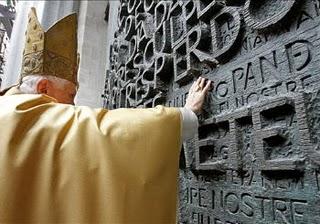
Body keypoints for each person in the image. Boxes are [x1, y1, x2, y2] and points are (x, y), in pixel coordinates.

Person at [0, 8, 212, 223]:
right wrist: (185, 116)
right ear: (44, 87)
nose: (73, 103)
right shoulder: (26, 115)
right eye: (70, 94)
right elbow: (107, 132)